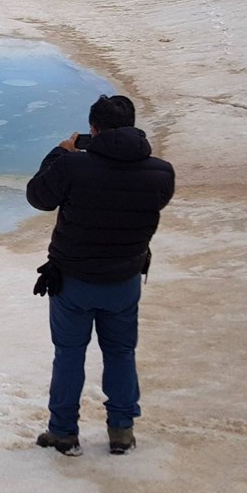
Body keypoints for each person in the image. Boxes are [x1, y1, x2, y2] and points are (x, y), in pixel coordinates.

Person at [26, 95, 175, 456]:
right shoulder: (161, 172)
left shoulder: (73, 167)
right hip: (124, 280)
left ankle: (63, 432)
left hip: (73, 281)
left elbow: (38, 196)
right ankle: (121, 431)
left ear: (93, 129)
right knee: (121, 353)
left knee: (70, 355)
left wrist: (61, 152)